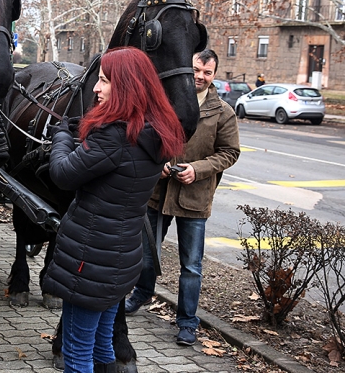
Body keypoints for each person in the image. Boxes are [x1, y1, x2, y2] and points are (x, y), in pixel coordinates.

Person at [41, 47, 186, 373]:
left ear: (126, 86)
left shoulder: (114, 137)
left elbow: (63, 174)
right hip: (120, 257)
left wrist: (61, 135)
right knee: (103, 343)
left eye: (104, 81)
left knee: (77, 353)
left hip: (89, 261)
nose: (96, 87)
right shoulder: (154, 132)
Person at [124, 49, 240, 347]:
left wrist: (198, 169)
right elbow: (143, 136)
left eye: (207, 72)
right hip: (158, 193)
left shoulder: (222, 112)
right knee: (146, 254)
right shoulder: (165, 103)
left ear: (214, 75)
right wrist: (158, 161)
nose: (200, 77)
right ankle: (141, 294)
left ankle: (187, 322)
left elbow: (230, 152)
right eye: (196, 70)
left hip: (194, 198)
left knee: (191, 266)